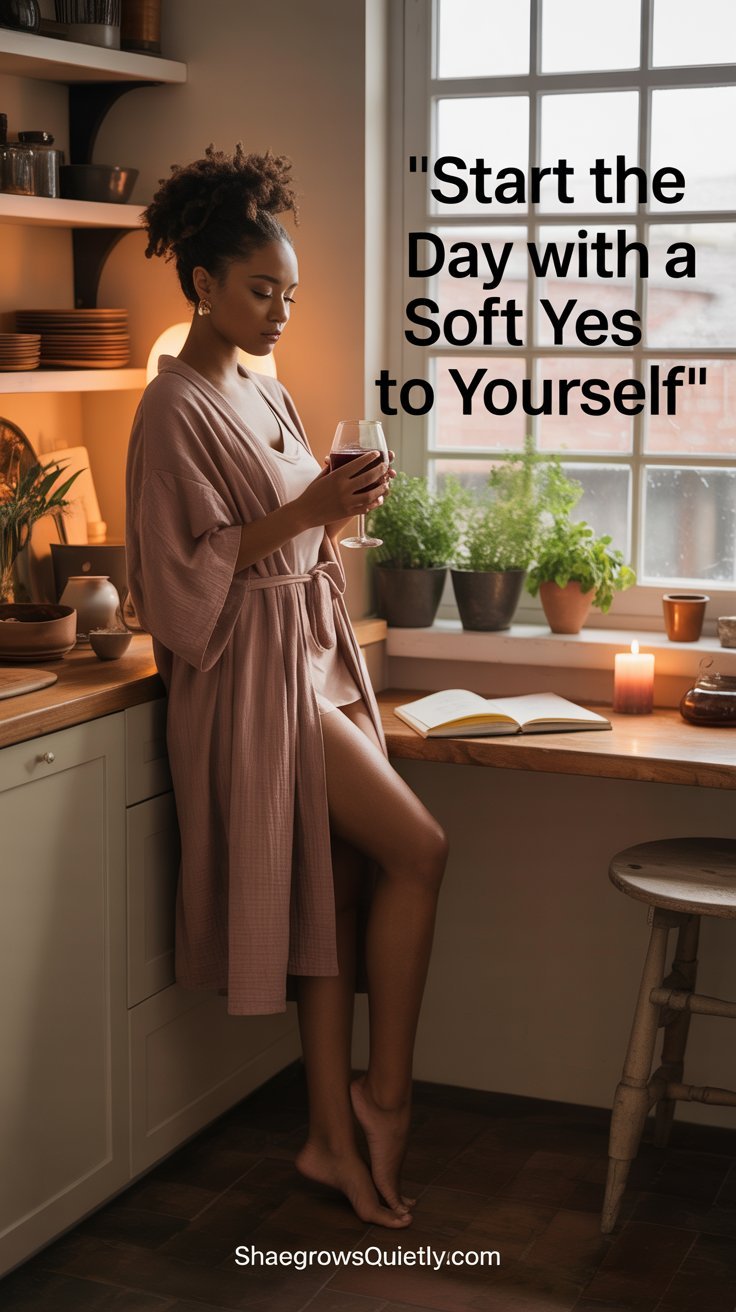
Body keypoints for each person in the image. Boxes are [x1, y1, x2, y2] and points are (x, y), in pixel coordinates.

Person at [125, 145, 449, 1230]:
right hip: (252, 684)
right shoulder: (169, 409)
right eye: (259, 290)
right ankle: (384, 1098)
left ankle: (325, 1137)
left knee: (340, 897)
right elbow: (180, 584)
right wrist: (312, 511)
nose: (276, 311)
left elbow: (300, 533)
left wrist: (345, 502)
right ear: (202, 284)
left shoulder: (266, 392)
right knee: (419, 847)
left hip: (309, 657)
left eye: (289, 294)